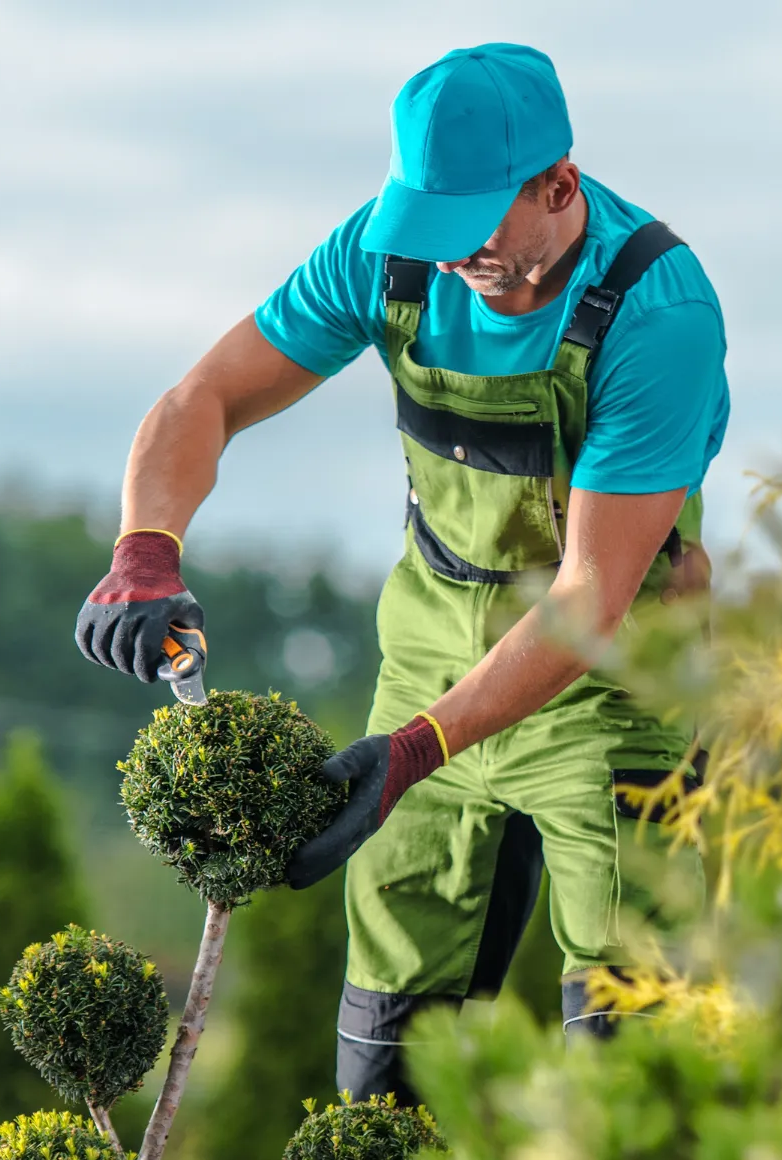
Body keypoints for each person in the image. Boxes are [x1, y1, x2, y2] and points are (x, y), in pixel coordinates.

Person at [73, 43, 726, 1100]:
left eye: (470, 221)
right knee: (389, 1044)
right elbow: (207, 396)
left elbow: (588, 600)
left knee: (634, 1048)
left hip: (613, 684)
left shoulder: (658, 314)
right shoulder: (387, 254)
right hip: (427, 650)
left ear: (559, 185)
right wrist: (146, 548)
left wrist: (413, 750)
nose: (446, 252)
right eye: (427, 218)